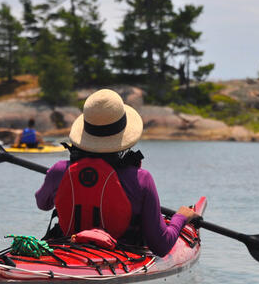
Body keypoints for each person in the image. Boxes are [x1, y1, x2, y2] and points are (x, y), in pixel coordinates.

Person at [34, 89, 199, 257]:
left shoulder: (59, 170)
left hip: (67, 251)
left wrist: (54, 179)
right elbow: (161, 245)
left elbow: (43, 203)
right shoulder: (141, 179)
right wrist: (181, 218)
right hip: (120, 257)